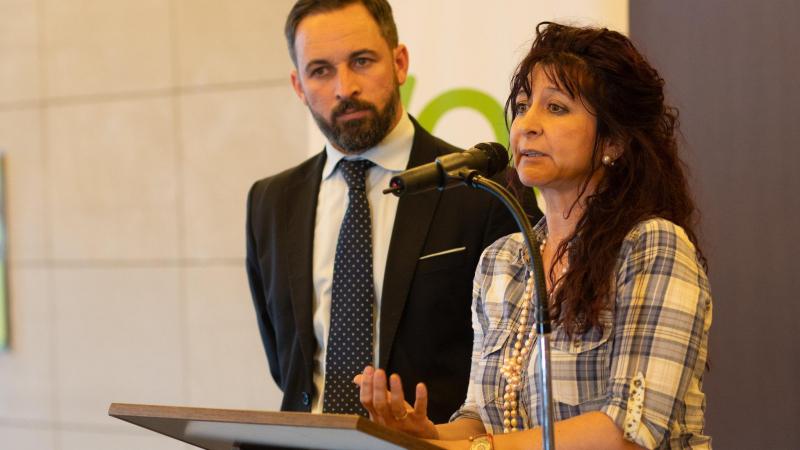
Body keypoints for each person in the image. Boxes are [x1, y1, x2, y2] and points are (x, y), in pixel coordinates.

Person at [357, 22, 713, 449]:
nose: (527, 124)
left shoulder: (651, 247)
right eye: (523, 105)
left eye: (557, 108)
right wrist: (426, 438)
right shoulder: (502, 260)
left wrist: (473, 449)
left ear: (614, 141)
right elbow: (481, 418)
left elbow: (628, 432)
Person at [245, 0, 539, 423]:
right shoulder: (270, 202)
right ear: (298, 85)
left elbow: (517, 366)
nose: (344, 88)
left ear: (400, 63)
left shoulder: (484, 190)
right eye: (320, 70)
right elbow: (286, 362)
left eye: (361, 61)